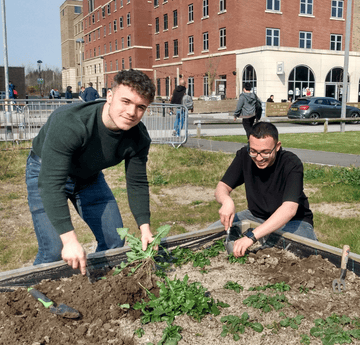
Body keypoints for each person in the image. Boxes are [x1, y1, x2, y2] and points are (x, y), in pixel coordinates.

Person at [25, 69, 156, 275]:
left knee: (114, 240)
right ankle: (33, 297)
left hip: (88, 178)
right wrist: (69, 239)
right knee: (54, 250)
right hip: (45, 171)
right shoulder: (71, 123)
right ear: (110, 97)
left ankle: (98, 290)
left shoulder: (138, 138)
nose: (132, 112)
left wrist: (145, 227)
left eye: (141, 107)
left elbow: (137, 182)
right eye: (126, 102)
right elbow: (52, 184)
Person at [211, 122, 317, 258]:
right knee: (209, 235)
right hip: (255, 216)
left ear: (277, 146)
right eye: (254, 151)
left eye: (265, 153)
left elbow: (289, 209)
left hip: (294, 222)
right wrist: (226, 201)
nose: (259, 158)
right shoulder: (244, 155)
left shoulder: (291, 163)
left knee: (300, 254)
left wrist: (251, 236)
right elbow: (222, 187)